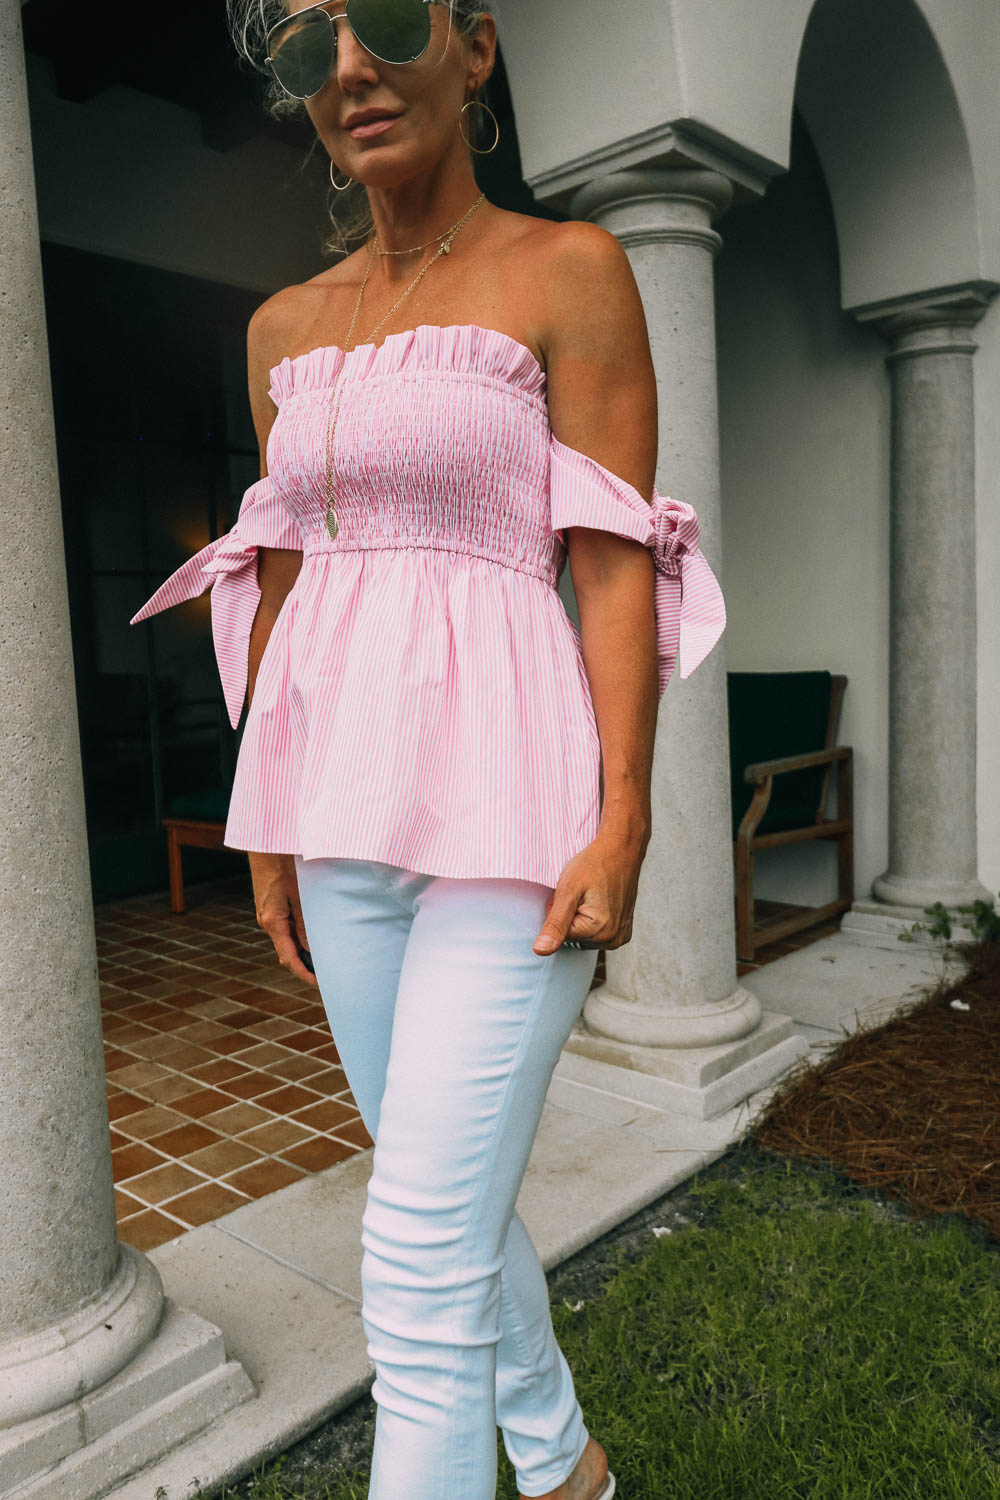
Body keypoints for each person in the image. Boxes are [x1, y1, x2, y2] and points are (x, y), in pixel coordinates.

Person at [130, 2, 726, 1495]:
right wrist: (264, 816)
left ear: (474, 45)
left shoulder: (570, 272)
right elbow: (279, 581)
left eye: (387, 20)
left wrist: (627, 813)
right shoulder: (284, 330)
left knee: (409, 1249)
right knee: (436, 1200)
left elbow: (606, 561)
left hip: (516, 814)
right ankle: (563, 1460)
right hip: (343, 818)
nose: (346, 69)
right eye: (300, 50)